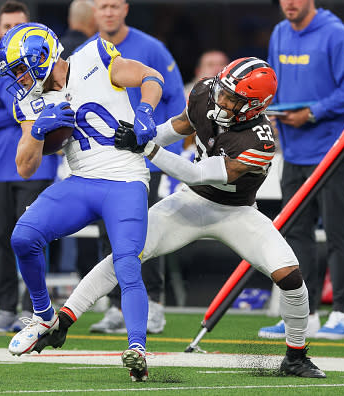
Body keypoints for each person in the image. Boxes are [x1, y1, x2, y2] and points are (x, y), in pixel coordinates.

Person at [35, 57, 327, 379]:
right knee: (126, 253)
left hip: (235, 212)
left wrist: (147, 149)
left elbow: (198, 173)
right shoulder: (205, 93)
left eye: (233, 99)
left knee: (290, 278)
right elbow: (180, 126)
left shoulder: (260, 140)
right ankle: (64, 319)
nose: (222, 101)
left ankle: (296, 356)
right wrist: (147, 136)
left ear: (254, 107)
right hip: (190, 203)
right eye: (223, 91)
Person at [0, 21, 163, 381]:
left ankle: (136, 348)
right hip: (82, 180)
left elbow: (151, 77)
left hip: (125, 179)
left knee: (126, 262)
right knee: (23, 237)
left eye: (21, 70)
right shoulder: (30, 99)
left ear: (42, 56)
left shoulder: (94, 56)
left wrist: (146, 111)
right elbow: (25, 167)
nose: (20, 80)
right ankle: (44, 316)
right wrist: (38, 131)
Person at [259, 0, 344, 339]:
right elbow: (272, 83)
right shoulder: (279, 32)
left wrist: (313, 112)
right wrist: (272, 111)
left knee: (337, 233)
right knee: (296, 236)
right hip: (292, 150)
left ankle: (343, 316)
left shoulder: (336, 34)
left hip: (331, 151)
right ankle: (304, 314)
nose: (289, 3)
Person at [88, 0, 186, 335]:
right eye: (103, 6)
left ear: (125, 8)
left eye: (114, 5)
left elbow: (177, 100)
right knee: (109, 235)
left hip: (146, 160)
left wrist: (158, 143)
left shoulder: (151, 48)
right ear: (94, 12)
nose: (109, 12)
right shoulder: (89, 52)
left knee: (147, 233)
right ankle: (115, 307)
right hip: (105, 162)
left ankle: (155, 305)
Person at [0, 1, 58, 333]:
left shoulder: (43, 66)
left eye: (17, 25)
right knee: (1, 239)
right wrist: (22, 114)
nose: (10, 31)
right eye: (6, 26)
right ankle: (5, 307)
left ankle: (33, 309)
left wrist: (14, 112)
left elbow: (47, 115)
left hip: (37, 166)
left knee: (33, 238)